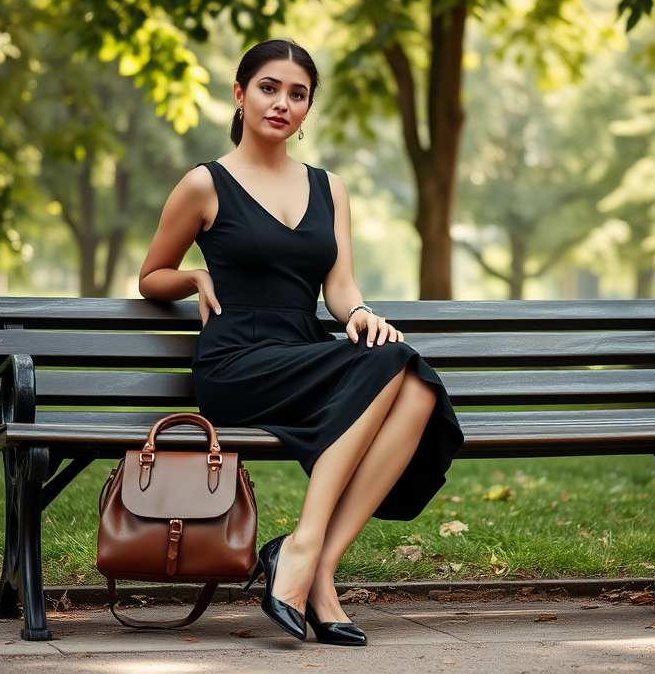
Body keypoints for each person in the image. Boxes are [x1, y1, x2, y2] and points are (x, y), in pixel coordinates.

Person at [139, 39, 463, 645]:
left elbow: (339, 286)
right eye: (268, 87)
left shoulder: (329, 188)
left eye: (297, 93)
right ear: (239, 95)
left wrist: (361, 312)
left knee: (415, 383)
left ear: (308, 107)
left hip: (304, 352)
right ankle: (301, 556)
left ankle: (313, 564)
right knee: (402, 367)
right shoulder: (205, 184)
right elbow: (150, 274)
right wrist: (193, 275)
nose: (282, 102)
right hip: (237, 363)